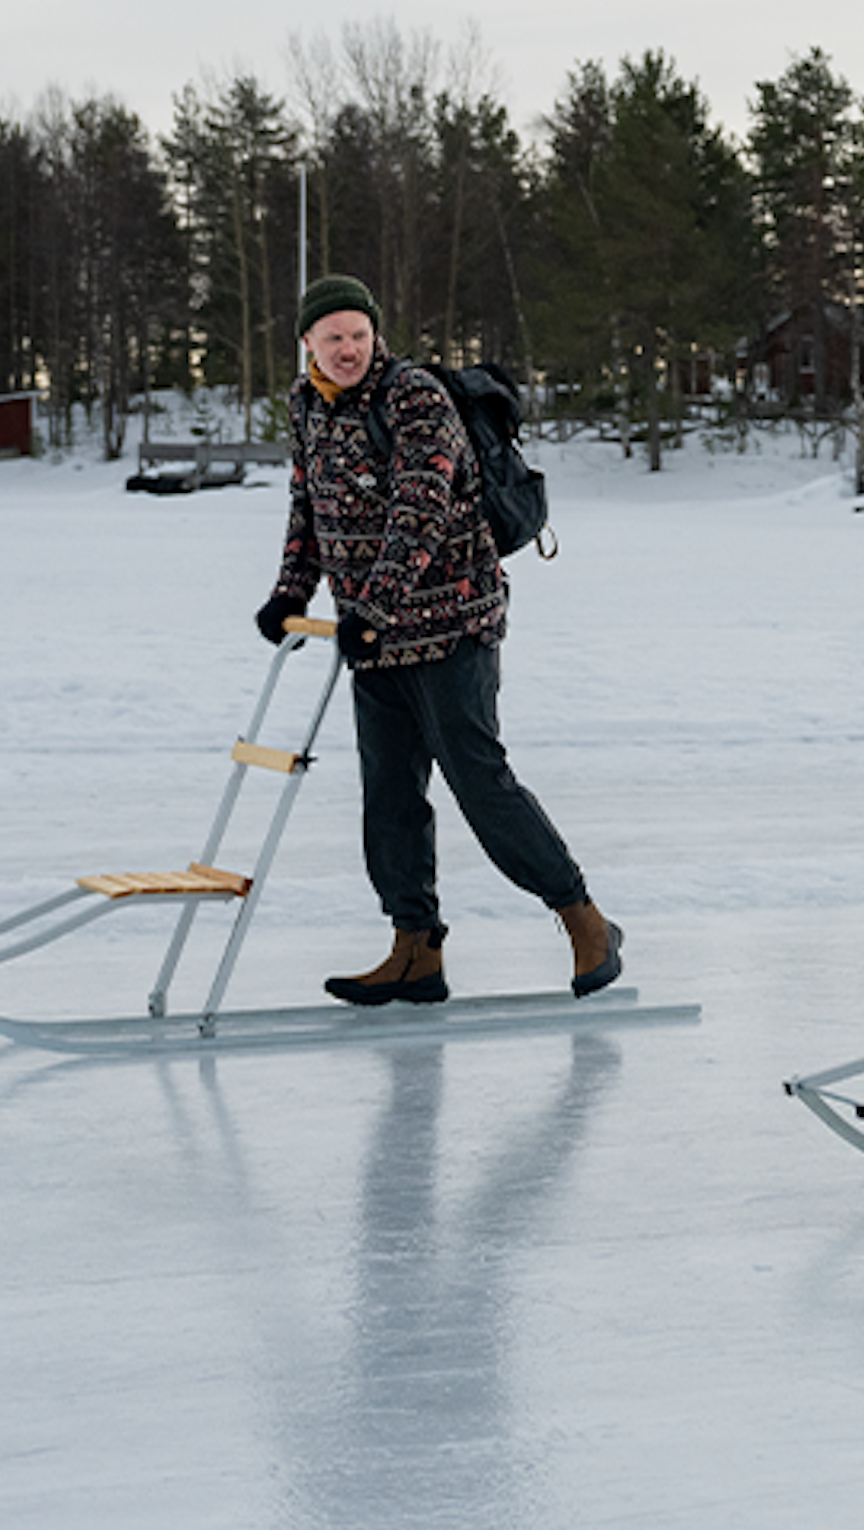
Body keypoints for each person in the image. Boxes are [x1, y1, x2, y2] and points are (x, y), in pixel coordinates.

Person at [256, 274, 623, 1008]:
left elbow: (422, 507)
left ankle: (584, 919)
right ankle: (415, 949)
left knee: (480, 784)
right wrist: (291, 590)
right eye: (334, 338)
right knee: (389, 799)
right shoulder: (306, 408)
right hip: (375, 637)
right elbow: (311, 506)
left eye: (359, 335)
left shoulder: (413, 396)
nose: (349, 349)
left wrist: (376, 606)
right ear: (308, 345)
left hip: (453, 624)